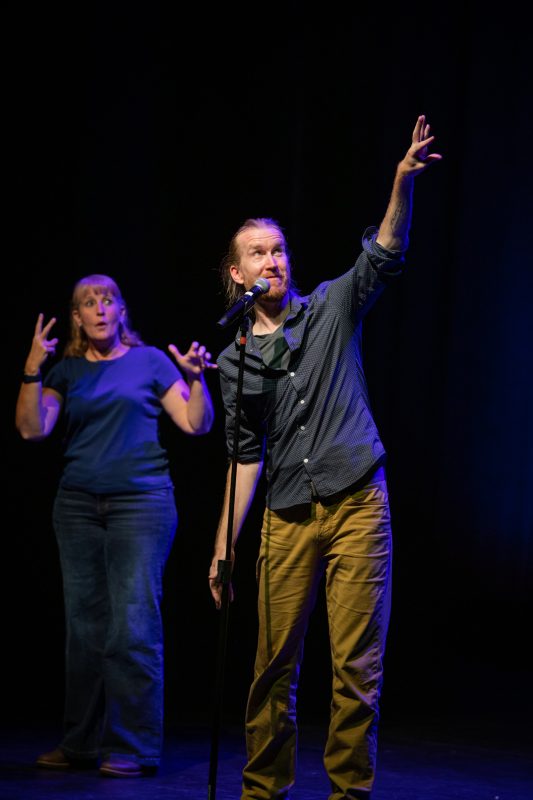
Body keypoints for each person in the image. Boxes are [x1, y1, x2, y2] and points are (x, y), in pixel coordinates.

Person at [209, 115, 442, 799]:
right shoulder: (234, 358)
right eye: (256, 252)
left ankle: (348, 794)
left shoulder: (331, 309)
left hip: (355, 503)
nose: (271, 260)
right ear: (236, 272)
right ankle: (262, 791)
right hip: (284, 516)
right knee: (270, 667)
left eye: (277, 249)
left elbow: (384, 253)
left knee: (354, 668)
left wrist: (401, 182)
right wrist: (222, 546)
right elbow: (243, 456)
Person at [16, 274, 216, 778]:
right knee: (83, 629)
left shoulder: (149, 361)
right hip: (78, 506)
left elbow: (196, 423)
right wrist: (32, 370)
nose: (100, 308)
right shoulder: (66, 371)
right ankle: (80, 742)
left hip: (142, 505)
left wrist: (195, 378)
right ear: (78, 317)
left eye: (108, 299)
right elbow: (31, 428)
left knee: (133, 624)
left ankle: (131, 744)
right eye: (89, 302)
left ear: (121, 310)